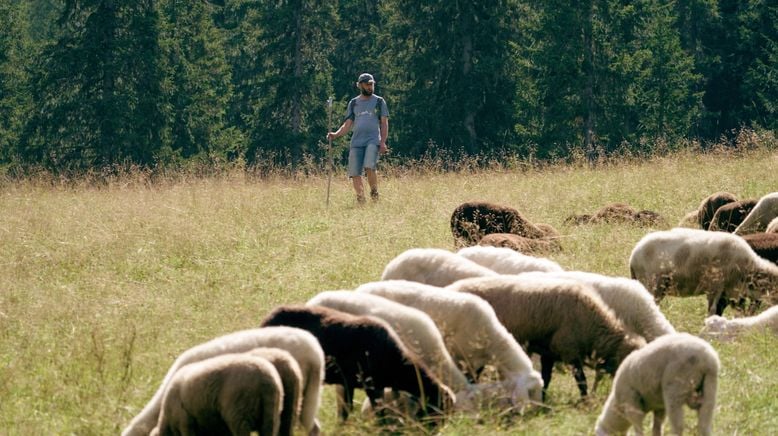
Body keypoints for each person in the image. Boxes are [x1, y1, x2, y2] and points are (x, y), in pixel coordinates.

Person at [327, 73, 389, 204]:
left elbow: (384, 123)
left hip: (373, 140)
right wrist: (336, 134)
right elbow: (348, 124)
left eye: (372, 84)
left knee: (369, 166)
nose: (370, 86)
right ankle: (361, 200)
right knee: (355, 172)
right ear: (360, 85)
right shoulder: (354, 103)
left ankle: (374, 192)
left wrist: (382, 142)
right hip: (356, 142)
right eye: (367, 84)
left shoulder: (379, 101)